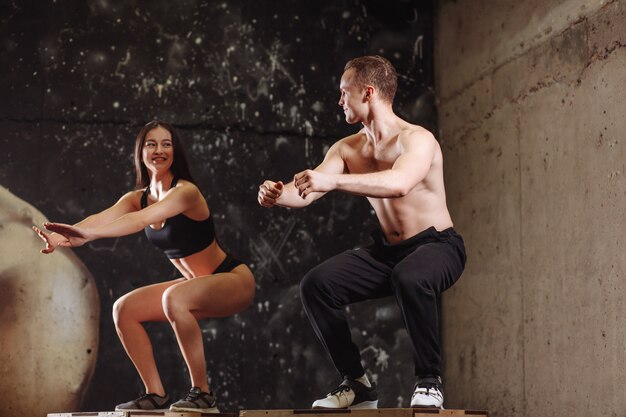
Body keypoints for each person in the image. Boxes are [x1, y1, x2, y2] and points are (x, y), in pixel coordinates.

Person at [257, 56, 466, 410]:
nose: (339, 101)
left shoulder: (417, 140)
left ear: (368, 93)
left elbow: (399, 184)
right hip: (389, 253)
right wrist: (279, 195)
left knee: (411, 275)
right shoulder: (347, 148)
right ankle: (357, 384)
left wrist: (333, 180)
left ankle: (429, 381)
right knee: (316, 285)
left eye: (344, 93)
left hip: (438, 247)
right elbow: (308, 190)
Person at [33, 120, 255, 413]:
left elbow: (138, 221)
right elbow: (102, 217)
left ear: (175, 151)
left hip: (231, 280)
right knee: (124, 309)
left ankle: (203, 394)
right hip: (193, 287)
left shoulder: (185, 192)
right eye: (152, 144)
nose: (159, 150)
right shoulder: (137, 197)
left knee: (173, 298)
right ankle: (155, 394)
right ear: (140, 152)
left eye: (167, 144)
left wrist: (89, 237)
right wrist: (66, 235)